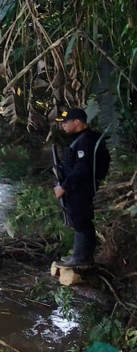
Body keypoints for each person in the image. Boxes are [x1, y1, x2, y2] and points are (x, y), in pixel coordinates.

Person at [54, 108, 109, 267]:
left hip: (80, 188)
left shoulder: (86, 141)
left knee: (81, 220)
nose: (63, 125)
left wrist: (63, 186)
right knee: (79, 219)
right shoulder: (82, 139)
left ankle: (80, 259)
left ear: (77, 122)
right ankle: (81, 256)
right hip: (77, 187)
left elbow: (82, 168)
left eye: (66, 122)